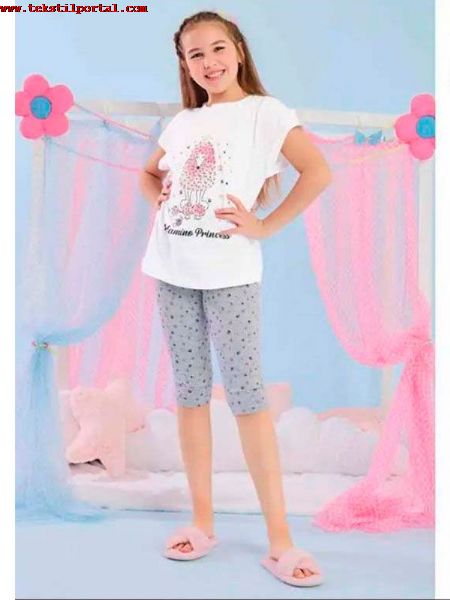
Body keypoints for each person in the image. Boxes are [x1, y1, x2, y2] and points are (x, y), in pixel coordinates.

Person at [139, 10, 332, 588]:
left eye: (218, 48)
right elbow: (148, 175)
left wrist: (265, 226)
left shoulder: (266, 114)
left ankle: (281, 540)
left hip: (230, 275)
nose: (209, 62)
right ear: (185, 65)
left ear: (239, 50)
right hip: (170, 269)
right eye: (195, 54)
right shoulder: (182, 123)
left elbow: (318, 172)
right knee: (190, 393)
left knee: (247, 396)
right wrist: (158, 196)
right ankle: (202, 522)